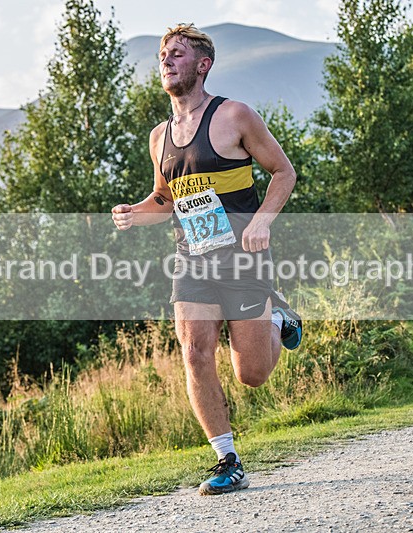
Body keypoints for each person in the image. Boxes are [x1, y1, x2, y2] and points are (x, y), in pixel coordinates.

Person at [111, 23, 301, 496]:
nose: (167, 61)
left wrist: (261, 221)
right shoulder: (160, 137)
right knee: (194, 352)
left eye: (177, 54)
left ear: (203, 65)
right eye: (163, 55)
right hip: (191, 259)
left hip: (244, 258)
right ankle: (227, 458)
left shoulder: (234, 115)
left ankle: (278, 317)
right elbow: (165, 198)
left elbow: (283, 172)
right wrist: (136, 213)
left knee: (251, 374)